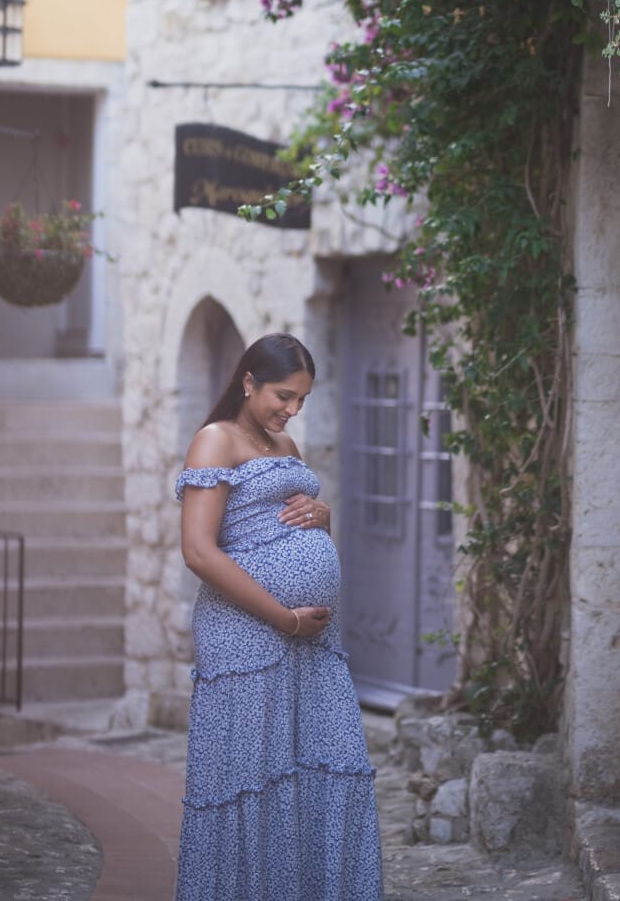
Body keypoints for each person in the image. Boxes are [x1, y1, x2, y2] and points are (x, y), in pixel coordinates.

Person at [174, 332, 384, 901]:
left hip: (311, 642)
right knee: (251, 778)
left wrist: (323, 517)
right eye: (283, 396)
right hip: (247, 637)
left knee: (321, 768)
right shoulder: (215, 441)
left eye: (301, 401)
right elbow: (199, 550)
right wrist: (284, 618)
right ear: (248, 382)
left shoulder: (284, 448)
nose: (292, 411)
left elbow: (288, 529)